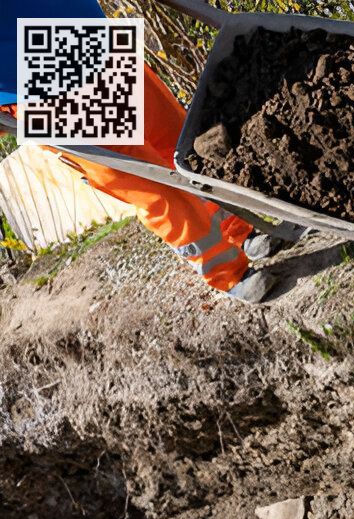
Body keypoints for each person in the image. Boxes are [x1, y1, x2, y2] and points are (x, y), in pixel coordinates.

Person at [0, 0, 280, 302]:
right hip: (36, 90)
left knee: (182, 147)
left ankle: (240, 229)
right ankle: (227, 273)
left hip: (91, 40)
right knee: (153, 186)